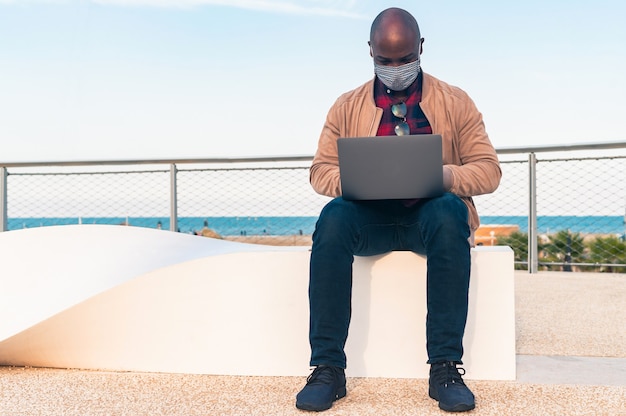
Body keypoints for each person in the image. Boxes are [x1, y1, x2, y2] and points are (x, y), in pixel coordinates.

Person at [295, 7, 501, 413]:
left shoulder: (456, 102)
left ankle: (445, 368)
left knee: (447, 212)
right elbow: (320, 171)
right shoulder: (346, 105)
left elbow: (489, 170)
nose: (395, 69)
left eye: (405, 59)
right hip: (370, 220)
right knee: (333, 218)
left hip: (430, 220)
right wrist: (355, 181)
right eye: (384, 61)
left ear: (421, 48)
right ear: (369, 50)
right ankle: (327, 368)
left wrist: (443, 177)